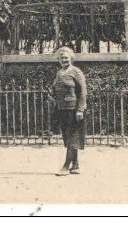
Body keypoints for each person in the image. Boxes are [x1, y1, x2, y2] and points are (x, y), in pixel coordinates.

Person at [51, 46, 87, 176]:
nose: (63, 60)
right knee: (68, 137)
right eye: (61, 58)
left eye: (66, 57)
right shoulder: (59, 72)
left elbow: (83, 92)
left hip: (73, 109)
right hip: (61, 108)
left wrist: (80, 109)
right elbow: (56, 88)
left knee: (72, 136)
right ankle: (76, 164)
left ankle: (66, 166)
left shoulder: (76, 71)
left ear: (71, 58)